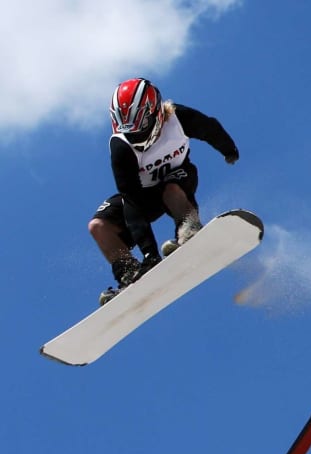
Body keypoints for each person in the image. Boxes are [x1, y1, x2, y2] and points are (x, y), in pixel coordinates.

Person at [89, 77, 240, 305]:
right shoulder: (121, 147)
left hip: (180, 181)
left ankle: (188, 228)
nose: (135, 136)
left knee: (170, 189)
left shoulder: (177, 118)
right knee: (98, 226)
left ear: (155, 113)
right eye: (128, 128)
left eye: (139, 128)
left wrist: (229, 150)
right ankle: (130, 273)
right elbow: (132, 201)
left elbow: (210, 128)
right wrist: (150, 255)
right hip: (143, 197)